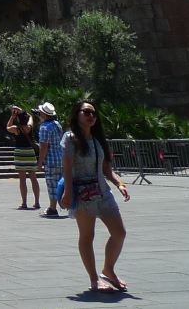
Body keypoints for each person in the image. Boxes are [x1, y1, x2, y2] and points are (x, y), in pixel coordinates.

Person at [60, 99, 131, 294]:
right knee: (87, 235)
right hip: (83, 194)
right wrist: (67, 191)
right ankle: (94, 279)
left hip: (103, 192)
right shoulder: (70, 138)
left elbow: (107, 169)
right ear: (77, 115)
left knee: (119, 232)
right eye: (86, 112)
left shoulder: (99, 139)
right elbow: (67, 167)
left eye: (93, 113)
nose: (91, 116)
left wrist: (120, 184)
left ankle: (108, 270)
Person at [7, 105, 42, 210]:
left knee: (22, 180)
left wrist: (12, 117)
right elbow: (31, 121)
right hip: (29, 152)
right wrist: (28, 115)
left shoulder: (16, 129)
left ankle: (24, 203)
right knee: (33, 178)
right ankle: (37, 202)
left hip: (19, 152)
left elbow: (8, 127)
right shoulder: (29, 128)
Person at [37, 101, 64, 217]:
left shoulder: (44, 127)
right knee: (61, 184)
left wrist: (40, 163)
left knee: (52, 185)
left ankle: (52, 208)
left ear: (44, 114)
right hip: (61, 158)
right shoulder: (57, 124)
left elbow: (44, 146)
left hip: (51, 160)